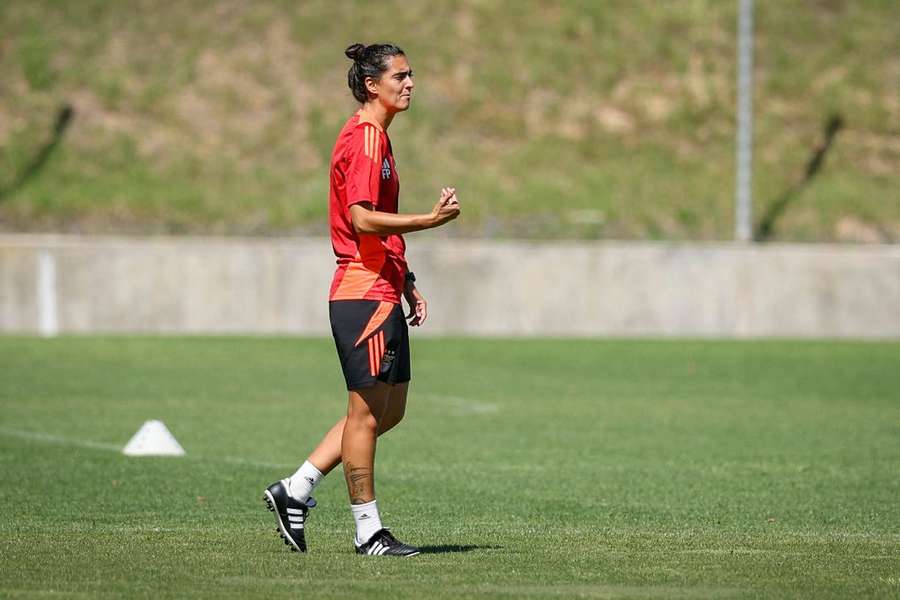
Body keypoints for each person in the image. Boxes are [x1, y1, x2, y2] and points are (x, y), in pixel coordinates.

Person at [263, 42, 460, 557]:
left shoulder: (377, 138)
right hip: (362, 294)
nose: (410, 83)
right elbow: (362, 218)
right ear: (372, 84)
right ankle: (368, 531)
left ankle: (296, 488)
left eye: (412, 74)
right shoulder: (368, 139)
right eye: (400, 75)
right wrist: (428, 220)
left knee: (387, 411)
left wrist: (406, 277)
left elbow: (377, 231)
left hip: (381, 288)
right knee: (366, 416)